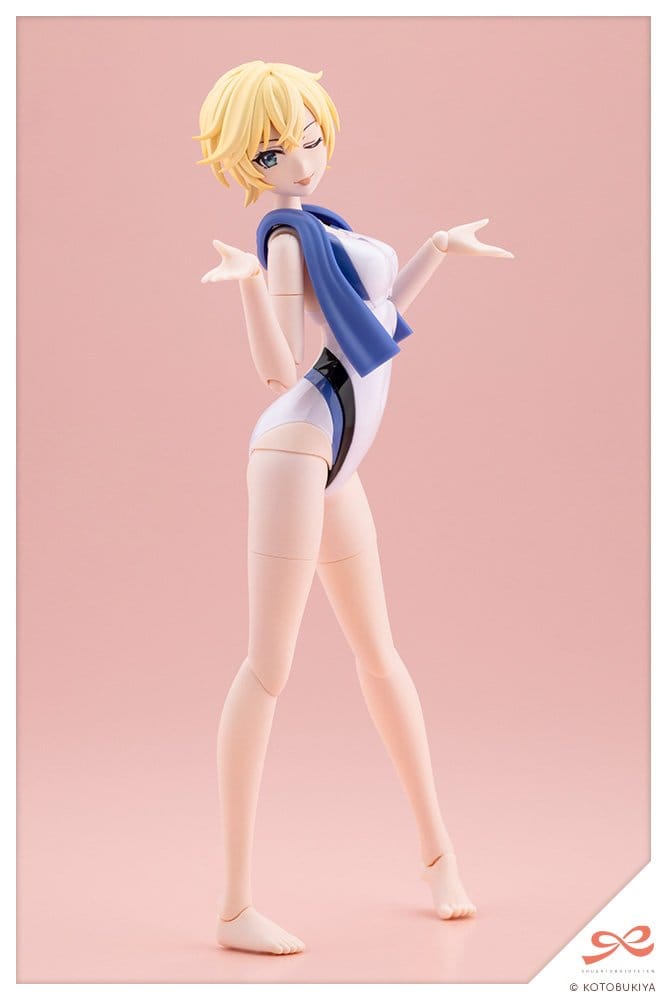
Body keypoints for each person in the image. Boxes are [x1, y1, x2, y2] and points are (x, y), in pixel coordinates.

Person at [195, 60, 512, 956]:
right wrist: (250, 283)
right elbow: (279, 368)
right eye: (273, 150)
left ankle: (438, 857)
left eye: (309, 137)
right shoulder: (284, 236)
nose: (298, 160)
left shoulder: (328, 226)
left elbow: (377, 318)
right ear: (243, 160)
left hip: (337, 456)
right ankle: (233, 906)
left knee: (380, 656)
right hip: (299, 443)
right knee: (268, 667)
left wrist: (437, 248)